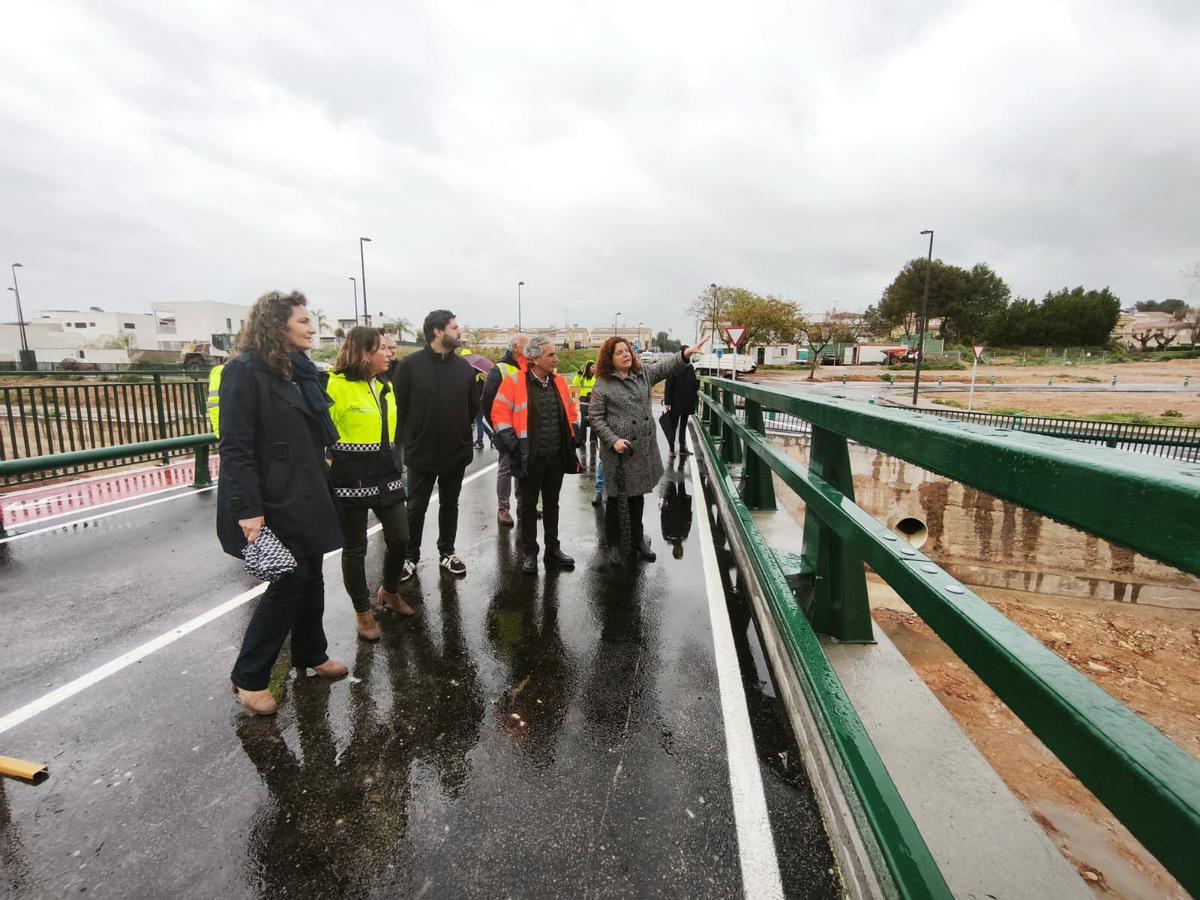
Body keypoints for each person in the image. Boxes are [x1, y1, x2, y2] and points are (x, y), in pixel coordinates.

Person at [216, 290, 347, 716]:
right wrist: (248, 510)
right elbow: (235, 447)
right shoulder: (244, 372)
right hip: (272, 496)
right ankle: (249, 676)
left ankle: (312, 652)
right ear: (277, 326)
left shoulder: (298, 370)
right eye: (304, 321)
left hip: (305, 486)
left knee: (311, 574)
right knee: (289, 582)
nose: (312, 328)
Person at [326, 326, 416, 642]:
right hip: (350, 479)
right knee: (355, 548)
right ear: (364, 354)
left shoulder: (383, 386)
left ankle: (389, 591)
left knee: (401, 538)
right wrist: (328, 462)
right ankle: (362, 611)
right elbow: (319, 432)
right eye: (382, 348)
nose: (389, 353)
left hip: (386, 476)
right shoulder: (334, 387)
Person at [588, 335, 708, 566]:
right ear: (609, 358)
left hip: (641, 448)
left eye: (627, 351)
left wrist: (685, 354)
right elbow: (596, 417)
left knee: (637, 497)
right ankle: (612, 544)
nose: (626, 355)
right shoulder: (603, 383)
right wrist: (613, 440)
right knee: (614, 499)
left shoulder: (642, 374)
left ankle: (637, 541)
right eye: (619, 352)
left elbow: (665, 367)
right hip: (618, 451)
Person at [392, 309, 478, 577]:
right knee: (415, 507)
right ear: (437, 331)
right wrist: (411, 439)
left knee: (450, 505)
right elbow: (399, 408)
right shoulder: (410, 366)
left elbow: (472, 406)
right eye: (454, 327)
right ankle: (409, 557)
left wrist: (462, 435)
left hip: (456, 452)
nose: (459, 331)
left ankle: (447, 553)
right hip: (421, 454)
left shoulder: (464, 367)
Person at [491, 335, 581, 574]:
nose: (555, 358)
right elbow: (499, 414)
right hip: (529, 457)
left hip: (555, 457)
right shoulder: (513, 382)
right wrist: (512, 444)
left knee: (552, 504)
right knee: (528, 506)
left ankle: (553, 548)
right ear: (534, 358)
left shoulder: (559, 382)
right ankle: (530, 552)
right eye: (550, 355)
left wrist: (574, 434)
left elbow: (570, 412)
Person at [481, 333, 528, 526]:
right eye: (526, 344)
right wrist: (498, 429)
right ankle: (503, 508)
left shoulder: (526, 367)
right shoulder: (500, 369)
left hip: (524, 429)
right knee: (506, 468)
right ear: (515, 347)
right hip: (506, 430)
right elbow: (487, 401)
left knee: (524, 467)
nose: (530, 347)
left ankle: (523, 505)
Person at [662, 346, 700, 455]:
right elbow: (668, 385)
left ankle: (682, 448)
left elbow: (693, 385)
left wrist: (695, 400)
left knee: (683, 427)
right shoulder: (674, 367)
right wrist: (667, 402)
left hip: (687, 403)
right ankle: (672, 448)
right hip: (675, 402)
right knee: (673, 427)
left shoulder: (690, 367)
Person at [571, 361, 597, 446]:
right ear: (588, 367)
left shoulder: (597, 377)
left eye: (595, 366)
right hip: (584, 400)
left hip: (594, 400)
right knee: (583, 421)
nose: (594, 368)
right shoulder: (582, 377)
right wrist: (579, 374)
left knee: (594, 420)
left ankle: (593, 439)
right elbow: (575, 383)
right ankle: (582, 439)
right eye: (592, 366)